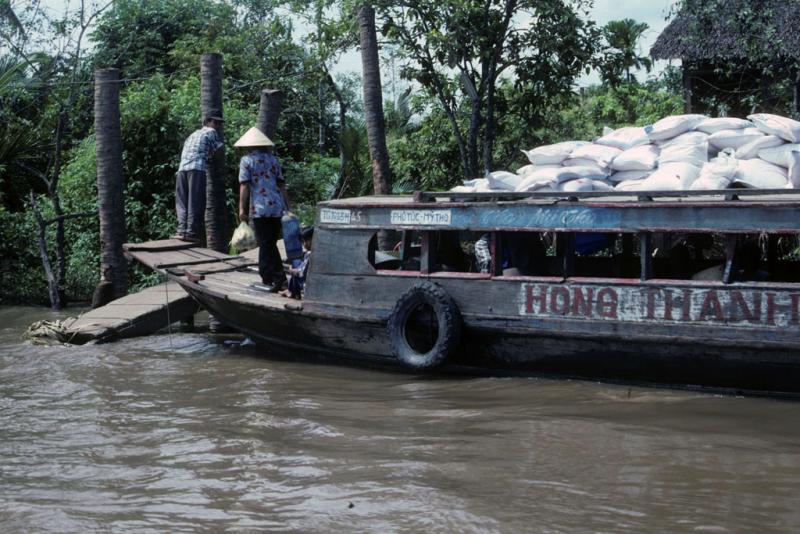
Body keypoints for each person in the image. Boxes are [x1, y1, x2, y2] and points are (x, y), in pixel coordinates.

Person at [235, 126, 291, 292]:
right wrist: (289, 206)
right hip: (276, 206)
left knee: (267, 244)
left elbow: (244, 186)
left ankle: (279, 277)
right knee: (268, 242)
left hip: (260, 208)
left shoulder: (247, 161)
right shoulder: (273, 160)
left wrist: (241, 209)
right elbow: (281, 185)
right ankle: (266, 275)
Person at [173, 115, 224, 242]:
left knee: (181, 202)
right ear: (207, 122)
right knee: (194, 201)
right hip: (196, 169)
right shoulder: (211, 132)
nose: (218, 126)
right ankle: (190, 232)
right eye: (216, 122)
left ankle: (181, 231)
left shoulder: (193, 134)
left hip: (182, 169)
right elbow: (218, 150)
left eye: (219, 123)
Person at [281, 226, 313, 299]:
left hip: (308, 286)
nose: (304, 244)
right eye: (303, 242)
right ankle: (290, 290)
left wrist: (292, 270)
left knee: (294, 273)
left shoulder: (310, 255)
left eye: (307, 241)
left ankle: (292, 292)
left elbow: (302, 273)